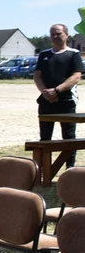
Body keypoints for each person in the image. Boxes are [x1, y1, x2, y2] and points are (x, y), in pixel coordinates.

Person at [34, 23, 82, 166]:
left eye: (59, 33)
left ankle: (69, 169)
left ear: (66, 35)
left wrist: (57, 90)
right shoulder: (44, 55)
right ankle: (43, 170)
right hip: (46, 101)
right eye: (52, 34)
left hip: (66, 101)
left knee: (68, 137)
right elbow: (37, 75)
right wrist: (45, 92)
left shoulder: (73, 54)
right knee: (45, 138)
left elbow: (76, 76)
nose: (55, 36)